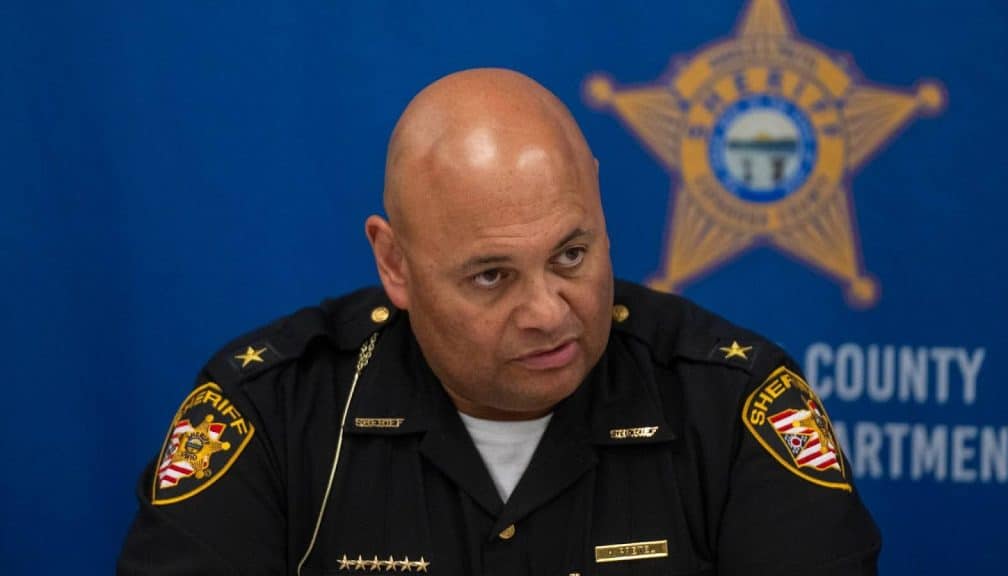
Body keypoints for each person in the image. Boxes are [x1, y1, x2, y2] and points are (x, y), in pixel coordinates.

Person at [118, 68, 880, 575]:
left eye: (572, 255)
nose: (549, 312)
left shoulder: (734, 405)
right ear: (395, 265)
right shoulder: (271, 413)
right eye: (491, 276)